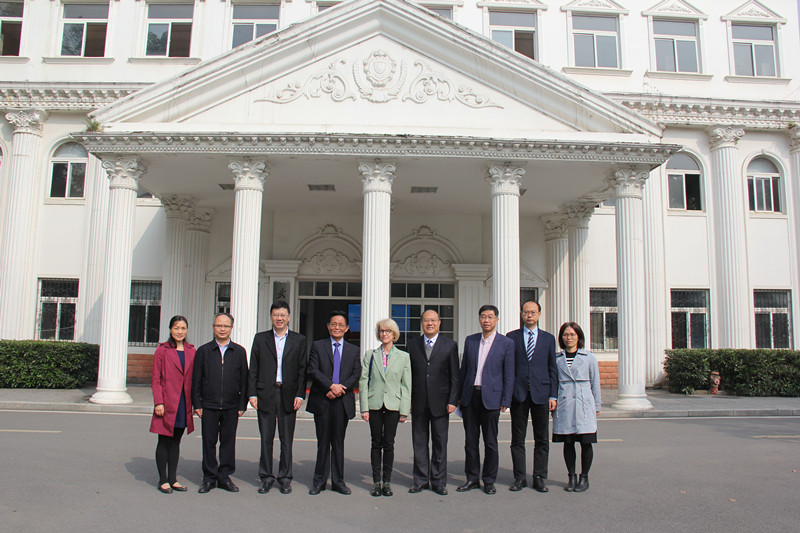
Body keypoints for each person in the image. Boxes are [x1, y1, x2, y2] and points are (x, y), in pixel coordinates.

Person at [248, 301, 308, 495]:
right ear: (271, 317)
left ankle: (285, 478)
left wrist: (300, 394)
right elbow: (253, 368)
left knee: (286, 439)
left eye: (283, 315)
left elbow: (302, 370)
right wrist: (252, 393)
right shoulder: (260, 338)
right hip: (265, 393)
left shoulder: (299, 340)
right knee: (266, 438)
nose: (279, 318)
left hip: (288, 394)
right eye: (276, 315)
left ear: (288, 317)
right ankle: (266, 477)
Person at [456, 305, 514, 495]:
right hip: (470, 396)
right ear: (479, 319)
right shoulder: (471, 340)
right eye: (483, 316)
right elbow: (464, 370)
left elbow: (509, 374)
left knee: (490, 442)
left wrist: (506, 399)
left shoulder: (506, 343)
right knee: (470, 441)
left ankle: (489, 480)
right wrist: (459, 396)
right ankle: (472, 478)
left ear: (496, 320)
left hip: (492, 398)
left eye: (490, 316)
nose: (486, 320)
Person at [192, 312, 249, 494]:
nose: (222, 329)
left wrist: (242, 404)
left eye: (226, 326)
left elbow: (244, 380)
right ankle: (209, 477)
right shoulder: (203, 351)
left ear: (231, 328)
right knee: (209, 442)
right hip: (209, 405)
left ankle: (224, 476)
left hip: (231, 406)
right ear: (213, 327)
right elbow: (196, 379)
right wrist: (197, 404)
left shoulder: (239, 351)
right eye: (219, 325)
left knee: (228, 442)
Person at [306, 310, 361, 495]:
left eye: (341, 325)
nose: (337, 327)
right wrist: (330, 386)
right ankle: (319, 481)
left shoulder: (353, 350)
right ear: (328, 326)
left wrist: (340, 388)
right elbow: (313, 369)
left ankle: (338, 481)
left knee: (338, 442)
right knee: (322, 442)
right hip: (323, 399)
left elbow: (356, 373)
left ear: (346, 328)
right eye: (334, 324)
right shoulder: (318, 346)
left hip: (342, 401)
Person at [506, 300, 558, 492]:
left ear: (539, 314)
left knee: (542, 438)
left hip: (541, 393)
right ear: (521, 314)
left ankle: (539, 477)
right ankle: (519, 477)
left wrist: (553, 395)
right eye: (526, 312)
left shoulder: (548, 339)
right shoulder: (511, 337)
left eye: (533, 312)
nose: (529, 315)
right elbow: (508, 368)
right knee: (517, 439)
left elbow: (552, 368)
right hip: (518, 393)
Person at [407, 309, 460, 495]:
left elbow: (455, 376)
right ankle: (420, 480)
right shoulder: (412, 345)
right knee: (419, 443)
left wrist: (453, 400)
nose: (429, 323)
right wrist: (408, 401)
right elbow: (408, 375)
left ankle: (438, 481)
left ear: (439, 323)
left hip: (441, 402)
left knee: (440, 443)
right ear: (421, 323)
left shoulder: (450, 345)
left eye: (433, 320)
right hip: (418, 401)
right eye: (426, 320)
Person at [359, 318, 411, 497]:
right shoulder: (371, 355)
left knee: (389, 444)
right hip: (374, 404)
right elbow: (363, 382)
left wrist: (404, 410)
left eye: (388, 331)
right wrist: (364, 408)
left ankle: (387, 481)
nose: (384, 334)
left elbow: (406, 385)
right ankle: (376, 482)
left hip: (393, 405)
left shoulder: (403, 357)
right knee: (376, 443)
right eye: (381, 331)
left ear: (394, 334)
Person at [552, 322, 601, 493]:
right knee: (568, 442)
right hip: (565, 401)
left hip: (583, 402)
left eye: (572, 334)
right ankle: (571, 476)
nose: (569, 338)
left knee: (586, 442)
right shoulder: (557, 358)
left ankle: (584, 477)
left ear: (578, 337)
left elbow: (595, 382)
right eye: (566, 335)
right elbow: (554, 381)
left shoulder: (588, 357)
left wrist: (597, 405)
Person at [150, 315, 196, 494]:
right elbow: (156, 379)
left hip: (184, 403)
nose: (180, 332)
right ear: (170, 329)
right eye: (176, 328)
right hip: (167, 402)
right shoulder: (162, 350)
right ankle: (163, 480)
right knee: (164, 441)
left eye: (183, 328)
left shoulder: (191, 351)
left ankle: (173, 479)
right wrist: (158, 402)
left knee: (176, 441)